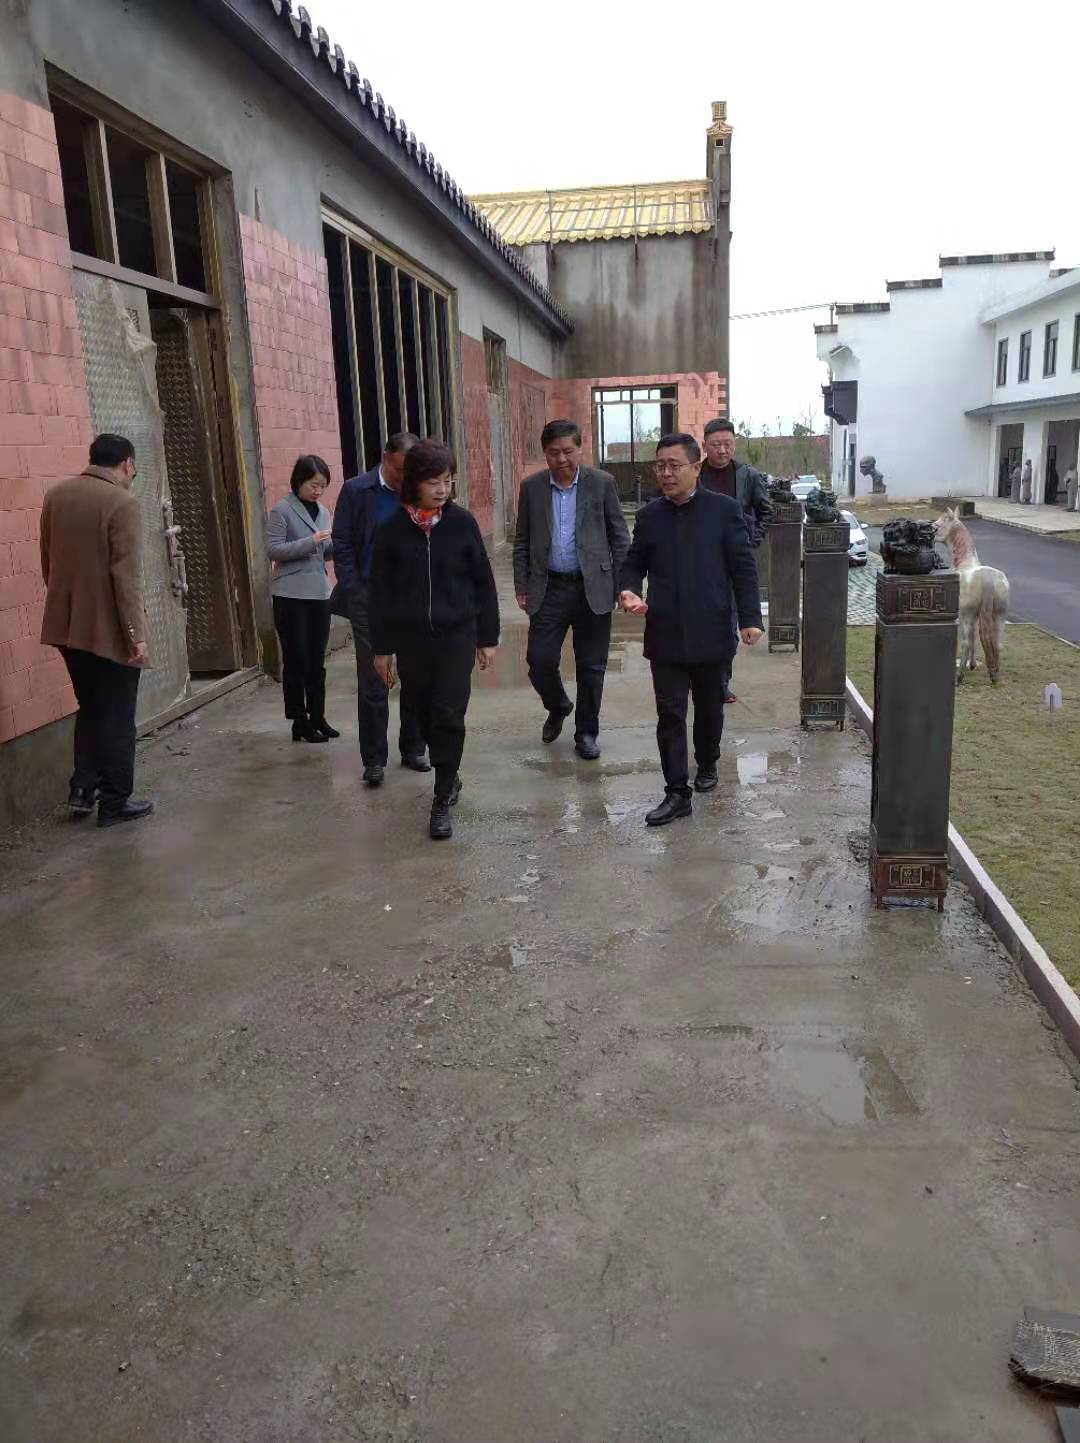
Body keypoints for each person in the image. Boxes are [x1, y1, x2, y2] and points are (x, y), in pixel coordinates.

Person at [619, 433, 763, 827]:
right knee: (670, 713)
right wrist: (628, 590)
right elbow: (633, 563)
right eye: (660, 466)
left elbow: (743, 569)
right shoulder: (650, 516)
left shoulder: (724, 511)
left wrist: (750, 619)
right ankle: (676, 793)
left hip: (712, 629)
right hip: (665, 631)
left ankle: (708, 761)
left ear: (696, 467)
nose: (665, 473)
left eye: (674, 465)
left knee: (710, 707)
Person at [370, 440, 499, 841]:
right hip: (412, 640)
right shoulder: (391, 530)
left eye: (447, 480)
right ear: (413, 483)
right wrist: (381, 648)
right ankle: (450, 772)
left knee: (449, 715)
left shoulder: (462, 524)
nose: (442, 489)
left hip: (457, 636)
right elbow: (380, 593)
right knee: (420, 714)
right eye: (433, 482)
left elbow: (483, 582)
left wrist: (488, 636)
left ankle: (441, 796)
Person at [39, 433, 154, 828]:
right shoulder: (122, 503)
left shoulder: (56, 496)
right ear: (127, 463)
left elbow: (47, 562)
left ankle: (83, 789)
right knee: (118, 715)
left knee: (90, 706)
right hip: (110, 630)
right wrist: (136, 634)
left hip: (66, 626)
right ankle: (115, 801)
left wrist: (67, 608)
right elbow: (126, 578)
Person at [512, 419, 630, 759]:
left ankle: (586, 733)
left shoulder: (602, 483)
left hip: (593, 587)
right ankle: (558, 705)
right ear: (544, 453)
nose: (561, 459)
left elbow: (619, 537)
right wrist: (522, 584)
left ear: (580, 448)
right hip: (548, 587)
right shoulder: (532, 488)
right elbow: (522, 540)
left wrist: (623, 585)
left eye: (568, 451)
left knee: (592, 667)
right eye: (553, 453)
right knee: (539, 660)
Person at [330, 432, 427, 785]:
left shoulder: (418, 490)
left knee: (415, 675)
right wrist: (354, 588)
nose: (405, 478)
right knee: (373, 678)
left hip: (411, 597)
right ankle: (374, 759)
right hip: (369, 597)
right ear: (386, 459)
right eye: (401, 470)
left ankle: (414, 748)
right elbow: (342, 543)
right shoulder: (357, 491)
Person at [698, 417, 772, 705]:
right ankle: (699, 676)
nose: (722, 450)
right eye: (716, 445)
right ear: (705, 445)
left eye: (727, 444)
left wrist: (751, 540)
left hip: (732, 563)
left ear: (734, 445)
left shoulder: (747, 476)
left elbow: (766, 511)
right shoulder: (695, 473)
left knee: (727, 626)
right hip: (698, 558)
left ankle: (721, 681)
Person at [267, 455, 338, 743]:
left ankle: (318, 716)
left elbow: (324, 551)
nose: (318, 491)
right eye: (313, 485)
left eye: (322, 486)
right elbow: (273, 550)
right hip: (290, 595)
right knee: (296, 659)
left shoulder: (323, 511)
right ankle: (299, 720)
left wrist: (338, 545)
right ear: (298, 482)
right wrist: (311, 542)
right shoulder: (282, 510)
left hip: (319, 592)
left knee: (317, 659)